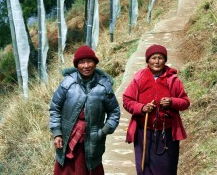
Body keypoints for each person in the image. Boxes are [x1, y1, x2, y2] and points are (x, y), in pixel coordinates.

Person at [49, 45, 120, 175]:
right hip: (68, 137)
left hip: (92, 139)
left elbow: (114, 112)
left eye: (90, 61)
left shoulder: (103, 86)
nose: (86, 66)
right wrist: (57, 133)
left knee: (89, 168)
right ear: (77, 65)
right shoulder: (67, 83)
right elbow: (55, 108)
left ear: (95, 63)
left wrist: (103, 131)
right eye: (82, 62)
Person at [123, 44, 190, 175]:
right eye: (153, 58)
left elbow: (185, 102)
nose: (157, 61)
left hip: (167, 133)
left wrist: (172, 101)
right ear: (147, 60)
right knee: (145, 167)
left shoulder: (172, 79)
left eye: (160, 58)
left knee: (166, 168)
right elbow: (127, 100)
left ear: (165, 60)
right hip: (144, 132)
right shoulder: (139, 78)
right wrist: (141, 108)